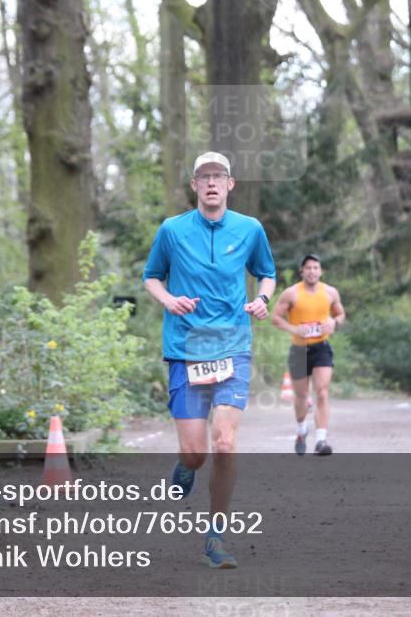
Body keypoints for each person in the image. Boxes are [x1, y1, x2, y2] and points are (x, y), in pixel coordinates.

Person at [142, 151, 276, 569]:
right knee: (196, 453)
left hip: (233, 346)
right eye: (204, 177)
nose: (212, 182)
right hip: (185, 349)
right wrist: (169, 300)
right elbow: (151, 277)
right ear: (194, 185)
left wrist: (262, 299)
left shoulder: (250, 229)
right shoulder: (172, 230)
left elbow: (267, 273)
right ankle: (186, 465)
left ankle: (214, 539)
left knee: (225, 442)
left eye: (219, 176)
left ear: (230, 184)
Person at [271, 254, 345, 456]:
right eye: (308, 268)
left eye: (315, 268)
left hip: (321, 347)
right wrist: (294, 329)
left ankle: (321, 440)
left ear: (320, 271)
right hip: (299, 350)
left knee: (322, 392)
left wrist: (334, 322)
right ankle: (302, 429)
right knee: (302, 396)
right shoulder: (291, 293)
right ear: (302, 271)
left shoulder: (330, 292)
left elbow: (340, 314)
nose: (312, 271)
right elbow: (275, 318)